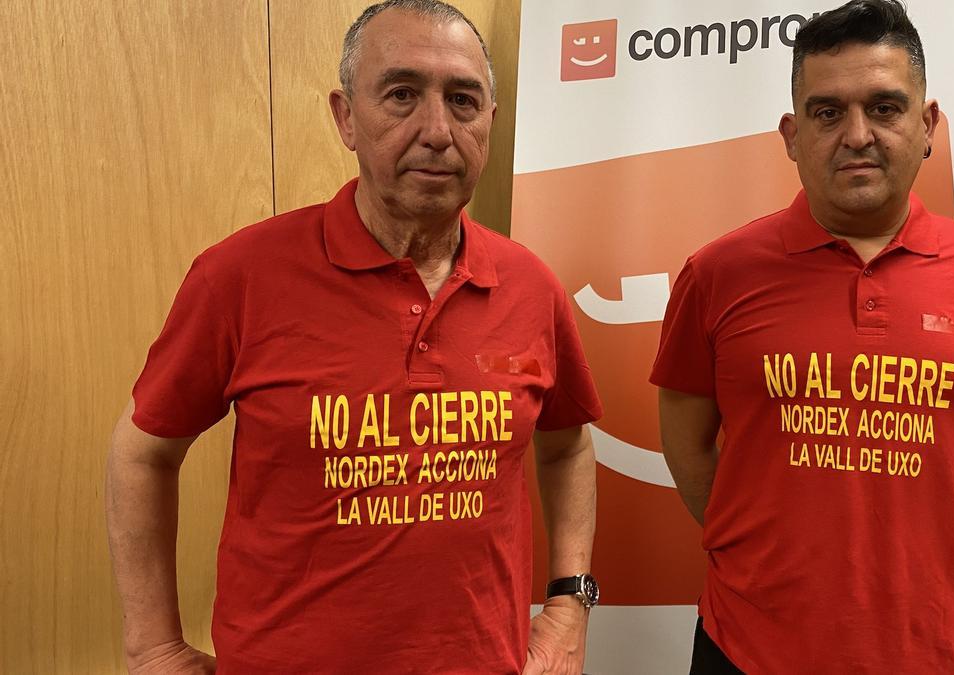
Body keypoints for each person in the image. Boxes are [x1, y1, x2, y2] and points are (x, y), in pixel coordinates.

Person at [106, 2, 601, 673]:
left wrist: (570, 603)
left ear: (489, 120)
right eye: (402, 95)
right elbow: (143, 452)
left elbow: (568, 445)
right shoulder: (239, 277)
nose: (436, 130)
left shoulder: (529, 285)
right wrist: (153, 645)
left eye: (463, 100)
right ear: (346, 117)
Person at [651, 1, 954, 672]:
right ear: (791, 134)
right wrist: (769, 556)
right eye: (827, 112)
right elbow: (688, 448)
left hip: (934, 650)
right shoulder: (717, 273)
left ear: (927, 124)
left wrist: (914, 554)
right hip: (748, 648)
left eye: (885, 107)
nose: (857, 135)